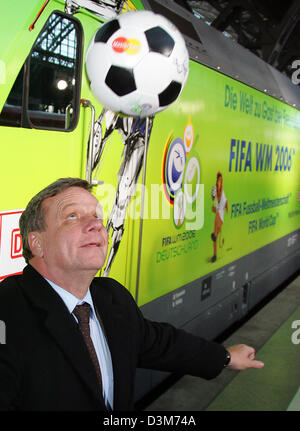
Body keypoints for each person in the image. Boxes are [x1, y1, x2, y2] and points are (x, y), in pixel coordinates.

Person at [0, 178, 264, 411]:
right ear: (37, 242)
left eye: (96, 216)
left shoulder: (110, 296)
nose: (95, 225)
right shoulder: (8, 312)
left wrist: (225, 357)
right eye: (72, 216)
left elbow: (161, 344)